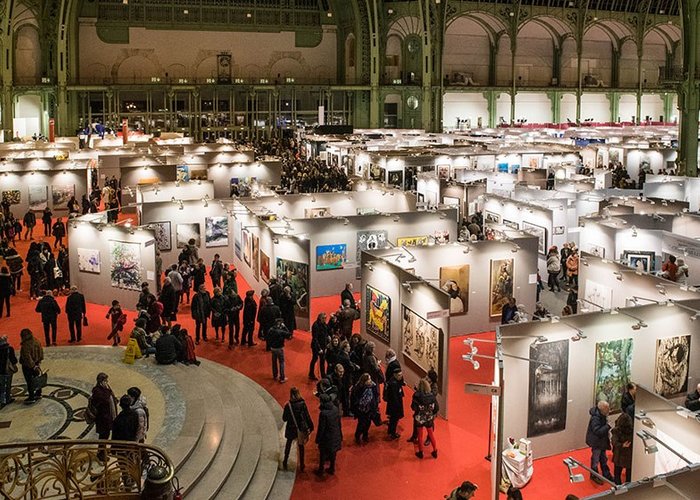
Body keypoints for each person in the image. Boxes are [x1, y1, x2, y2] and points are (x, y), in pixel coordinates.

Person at [282, 387, 314, 471]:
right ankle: (302, 464)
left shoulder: (288, 405)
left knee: (288, 443)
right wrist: (311, 426)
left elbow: (284, 418)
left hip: (291, 427)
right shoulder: (302, 403)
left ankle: (285, 460)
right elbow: (307, 416)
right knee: (301, 446)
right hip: (300, 427)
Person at [585, 400, 613, 484]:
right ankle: (594, 475)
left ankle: (606, 474)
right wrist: (607, 426)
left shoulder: (601, 415)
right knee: (595, 460)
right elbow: (597, 431)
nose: (609, 410)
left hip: (601, 441)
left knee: (603, 458)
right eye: (607, 409)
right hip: (597, 442)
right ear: (602, 409)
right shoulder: (596, 418)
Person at [92, 372, 118, 460]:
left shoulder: (105, 388)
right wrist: (108, 391)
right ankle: (101, 453)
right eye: (105, 380)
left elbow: (110, 398)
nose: (107, 382)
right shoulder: (97, 391)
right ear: (101, 381)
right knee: (103, 436)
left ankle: (102, 451)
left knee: (105, 436)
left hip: (108, 417)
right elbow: (104, 400)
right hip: (103, 419)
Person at [315, 393, 342, 476]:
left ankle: (321, 469)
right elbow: (339, 423)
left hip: (326, 437)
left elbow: (321, 428)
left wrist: (318, 439)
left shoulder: (323, 413)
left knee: (322, 454)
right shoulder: (335, 409)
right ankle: (332, 468)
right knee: (333, 453)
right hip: (335, 434)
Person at [412, 378, 439, 459]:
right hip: (429, 417)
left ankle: (421, 452)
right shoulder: (432, 396)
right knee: (431, 434)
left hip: (420, 418)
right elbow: (435, 407)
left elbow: (413, 407)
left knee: (420, 436)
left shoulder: (416, 396)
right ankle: (435, 451)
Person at [351, 373, 380, 444]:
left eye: (370, 379)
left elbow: (376, 396)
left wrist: (375, 406)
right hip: (361, 409)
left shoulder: (373, 386)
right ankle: (357, 435)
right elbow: (354, 398)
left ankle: (365, 435)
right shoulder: (358, 388)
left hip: (370, 408)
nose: (370, 380)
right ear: (364, 381)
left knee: (368, 423)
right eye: (368, 379)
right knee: (361, 423)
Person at [19, 329, 43, 403]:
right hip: (36, 363)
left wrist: (32, 366)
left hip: (28, 366)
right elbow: (41, 352)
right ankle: (38, 393)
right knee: (37, 378)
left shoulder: (25, 345)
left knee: (29, 381)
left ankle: (31, 397)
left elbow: (27, 357)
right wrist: (38, 362)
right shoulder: (36, 341)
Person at [267, 317, 292, 383]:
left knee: (274, 362)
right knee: (281, 362)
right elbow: (289, 334)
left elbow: (268, 338)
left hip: (273, 348)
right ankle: (282, 377)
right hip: (279, 348)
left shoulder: (270, 330)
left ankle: (275, 375)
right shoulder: (281, 331)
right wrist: (285, 327)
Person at [611, 412, 633, 485]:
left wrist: (621, 445)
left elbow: (614, 442)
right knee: (628, 474)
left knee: (617, 473)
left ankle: (618, 488)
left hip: (619, 455)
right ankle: (628, 488)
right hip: (629, 455)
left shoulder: (616, 431)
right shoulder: (632, 431)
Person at [384, 369, 405, 440]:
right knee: (394, 420)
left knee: (393, 419)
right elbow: (394, 396)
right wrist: (398, 406)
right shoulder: (393, 384)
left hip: (393, 404)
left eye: (401, 375)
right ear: (394, 375)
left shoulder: (394, 381)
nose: (400, 377)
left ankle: (390, 431)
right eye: (399, 375)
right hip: (395, 405)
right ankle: (392, 433)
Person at [309, 312, 329, 380]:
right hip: (316, 346)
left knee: (322, 360)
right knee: (314, 359)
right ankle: (311, 374)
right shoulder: (316, 325)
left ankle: (323, 375)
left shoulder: (324, 324)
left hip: (323, 345)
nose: (325, 319)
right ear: (320, 318)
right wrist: (319, 348)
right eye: (323, 318)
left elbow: (325, 333)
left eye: (325, 318)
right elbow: (315, 338)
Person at [0, 336, 18, 407]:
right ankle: (6, 399)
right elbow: (14, 360)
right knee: (7, 385)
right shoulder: (9, 349)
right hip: (7, 370)